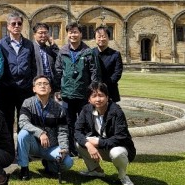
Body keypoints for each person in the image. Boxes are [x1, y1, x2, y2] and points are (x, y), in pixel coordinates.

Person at [75, 82, 136, 185]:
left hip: (120, 147)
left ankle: (123, 176)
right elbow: (77, 131)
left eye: (101, 95)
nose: (98, 99)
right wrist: (88, 145)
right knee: (79, 143)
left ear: (107, 97)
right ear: (89, 99)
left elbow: (120, 137)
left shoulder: (117, 112)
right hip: (102, 146)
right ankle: (95, 170)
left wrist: (98, 142)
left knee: (116, 153)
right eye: (94, 96)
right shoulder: (86, 110)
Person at [17, 75, 73, 180]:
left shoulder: (59, 108)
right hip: (34, 144)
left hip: (51, 147)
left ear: (50, 88)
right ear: (34, 89)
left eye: (45, 84)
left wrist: (64, 148)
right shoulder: (28, 103)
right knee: (23, 134)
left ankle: (49, 165)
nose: (42, 86)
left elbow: (63, 131)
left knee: (68, 163)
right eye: (39, 84)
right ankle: (24, 168)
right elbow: (23, 122)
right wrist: (40, 133)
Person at [54, 22, 97, 155]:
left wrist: (92, 92)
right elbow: (58, 71)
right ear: (67, 34)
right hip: (67, 95)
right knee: (69, 123)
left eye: (75, 32)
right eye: (71, 32)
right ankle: (72, 148)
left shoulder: (88, 52)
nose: (73, 35)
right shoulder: (63, 52)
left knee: (85, 122)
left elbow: (94, 73)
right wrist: (57, 90)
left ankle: (85, 147)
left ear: (81, 34)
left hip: (83, 94)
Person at [0, 12, 42, 136]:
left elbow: (33, 66)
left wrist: (31, 83)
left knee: (25, 120)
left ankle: (23, 152)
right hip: (7, 89)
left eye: (19, 23)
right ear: (8, 26)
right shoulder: (1, 44)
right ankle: (9, 152)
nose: (16, 26)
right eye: (13, 23)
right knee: (7, 120)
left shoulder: (29, 44)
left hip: (25, 88)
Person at [93, 26, 124, 102]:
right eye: (99, 37)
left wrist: (104, 85)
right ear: (95, 38)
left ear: (108, 38)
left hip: (110, 90)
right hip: (93, 90)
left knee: (110, 113)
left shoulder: (115, 54)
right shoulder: (91, 53)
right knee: (94, 113)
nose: (101, 39)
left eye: (104, 36)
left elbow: (117, 73)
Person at [32, 23, 60, 90]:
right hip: (37, 86)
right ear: (34, 35)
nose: (43, 35)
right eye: (40, 33)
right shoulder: (30, 48)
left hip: (51, 85)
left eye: (46, 33)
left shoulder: (50, 49)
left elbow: (60, 59)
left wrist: (53, 45)